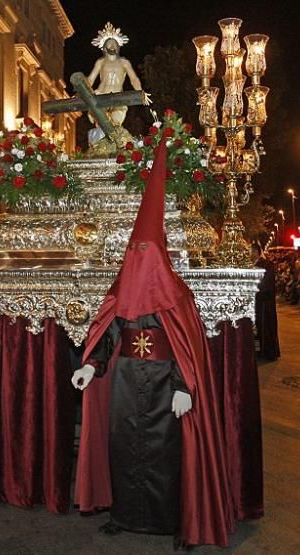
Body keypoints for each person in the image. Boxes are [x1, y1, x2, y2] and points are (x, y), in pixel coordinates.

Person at [72, 135, 233, 548]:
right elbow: (109, 333)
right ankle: (125, 515)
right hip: (126, 381)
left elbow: (186, 346)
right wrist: (92, 366)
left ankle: (173, 521)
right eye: (133, 251)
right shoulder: (119, 291)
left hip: (164, 385)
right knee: (123, 447)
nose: (138, 258)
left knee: (165, 453)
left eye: (145, 251)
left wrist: (184, 387)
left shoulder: (175, 295)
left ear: (158, 256)